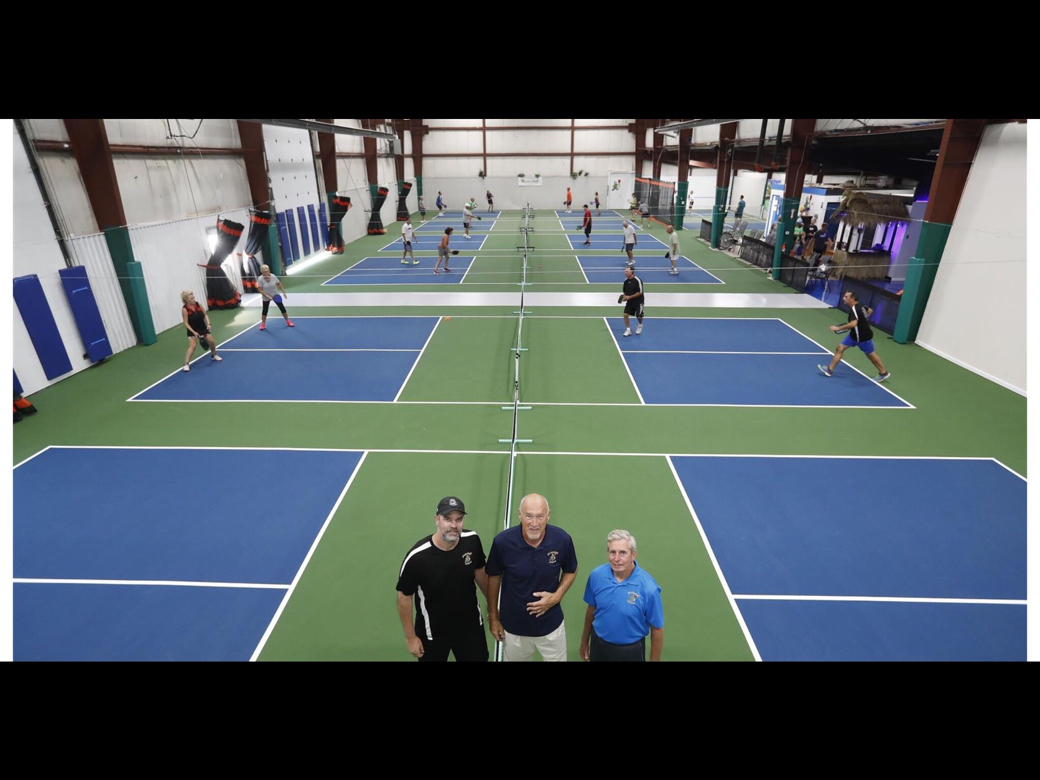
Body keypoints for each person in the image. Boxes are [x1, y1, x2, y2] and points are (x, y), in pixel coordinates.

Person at [485, 493, 578, 662]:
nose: (534, 523)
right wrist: (493, 618)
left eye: (540, 516)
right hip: (513, 629)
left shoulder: (562, 539)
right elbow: (493, 577)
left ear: (548, 515)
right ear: (519, 514)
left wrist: (556, 597)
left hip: (551, 627)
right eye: (528, 516)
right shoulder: (502, 543)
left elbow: (571, 569)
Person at [396, 496, 490, 662]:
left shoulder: (472, 541)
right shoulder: (417, 558)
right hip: (432, 634)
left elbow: (480, 572)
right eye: (447, 519)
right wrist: (411, 638)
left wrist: (493, 607)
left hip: (470, 628)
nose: (454, 525)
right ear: (437, 520)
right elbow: (404, 597)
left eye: (459, 519)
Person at [579, 529, 663, 662]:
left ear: (633, 554)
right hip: (599, 645)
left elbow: (657, 629)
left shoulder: (649, 588)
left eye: (623, 553)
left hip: (630, 651)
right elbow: (591, 610)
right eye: (613, 552)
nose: (617, 559)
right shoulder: (596, 576)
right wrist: (584, 642)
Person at [818, 290, 891, 382]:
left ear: (852, 299)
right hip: (853, 336)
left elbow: (853, 324)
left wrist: (837, 328)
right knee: (839, 348)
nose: (843, 298)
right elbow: (870, 311)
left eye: (846, 297)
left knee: (871, 355)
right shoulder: (861, 306)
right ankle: (830, 370)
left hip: (863, 337)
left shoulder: (855, 310)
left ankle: (884, 373)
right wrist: (863, 321)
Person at [180, 290, 222, 371]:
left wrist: (209, 324)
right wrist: (194, 332)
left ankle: (213, 355)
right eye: (191, 298)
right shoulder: (185, 309)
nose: (193, 299)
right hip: (192, 330)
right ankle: (186, 364)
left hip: (202, 327)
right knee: (193, 346)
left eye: (193, 297)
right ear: (186, 300)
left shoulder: (198, 304)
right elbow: (185, 323)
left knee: (212, 342)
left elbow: (205, 314)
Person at [256, 265, 294, 331]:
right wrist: (267, 296)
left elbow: (279, 283)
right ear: (262, 272)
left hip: (275, 295)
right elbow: (260, 289)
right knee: (265, 310)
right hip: (266, 296)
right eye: (265, 272)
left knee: (282, 308)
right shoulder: (260, 279)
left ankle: (288, 321)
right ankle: (263, 324)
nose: (266, 273)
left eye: (267, 271)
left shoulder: (273, 276)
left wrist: (283, 291)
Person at [620, 266, 644, 336]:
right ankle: (628, 330)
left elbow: (640, 292)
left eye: (626, 271)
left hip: (639, 301)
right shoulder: (625, 281)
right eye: (625, 271)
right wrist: (624, 297)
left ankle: (640, 325)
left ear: (631, 272)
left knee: (639, 316)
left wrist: (629, 297)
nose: (625, 273)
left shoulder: (638, 280)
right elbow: (625, 292)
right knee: (625, 315)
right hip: (630, 301)